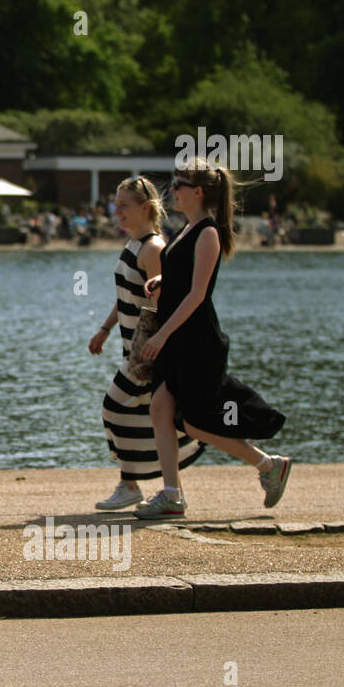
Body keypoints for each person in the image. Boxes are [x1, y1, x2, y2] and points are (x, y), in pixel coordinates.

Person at [136, 158, 290, 518]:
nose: (172, 191)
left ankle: (268, 465)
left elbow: (198, 295)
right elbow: (183, 282)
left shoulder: (207, 232)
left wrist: (162, 336)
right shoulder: (186, 230)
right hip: (178, 338)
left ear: (198, 192)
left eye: (178, 185)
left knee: (195, 422)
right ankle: (172, 494)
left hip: (195, 341)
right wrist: (163, 283)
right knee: (160, 409)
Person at [89, 177, 204, 510]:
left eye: (124, 205)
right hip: (131, 347)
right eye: (116, 203)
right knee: (149, 416)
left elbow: (161, 303)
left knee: (115, 407)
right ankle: (158, 488)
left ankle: (133, 485)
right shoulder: (133, 243)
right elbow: (127, 295)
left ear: (147, 208)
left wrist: (155, 344)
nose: (117, 211)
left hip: (148, 353)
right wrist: (105, 329)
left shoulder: (153, 248)